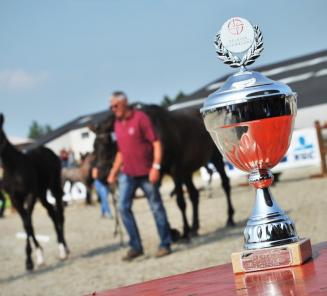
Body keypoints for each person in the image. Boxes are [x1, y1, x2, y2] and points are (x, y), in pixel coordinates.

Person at [107, 91, 172, 261]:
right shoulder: (117, 124)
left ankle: (165, 243)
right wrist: (113, 172)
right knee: (122, 207)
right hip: (127, 174)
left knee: (156, 207)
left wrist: (156, 167)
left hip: (146, 171)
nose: (113, 109)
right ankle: (135, 246)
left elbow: (156, 143)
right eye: (111, 106)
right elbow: (121, 151)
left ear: (124, 102)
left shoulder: (140, 118)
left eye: (115, 105)